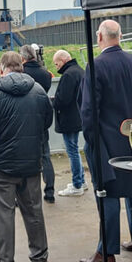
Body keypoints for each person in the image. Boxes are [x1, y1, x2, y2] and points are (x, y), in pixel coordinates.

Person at [0, 52, 51, 262]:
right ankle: (40, 258)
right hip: (30, 164)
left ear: (1, 69)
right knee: (34, 211)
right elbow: (46, 123)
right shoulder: (38, 91)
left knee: (3, 217)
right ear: (21, 68)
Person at [79, 19, 132, 262]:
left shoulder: (96, 66)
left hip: (105, 138)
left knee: (105, 191)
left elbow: (88, 111)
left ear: (100, 37)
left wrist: (91, 140)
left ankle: (105, 251)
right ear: (120, 36)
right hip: (131, 133)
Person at [20, 45, 55, 203]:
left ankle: (26, 194)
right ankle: (50, 191)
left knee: (23, 158)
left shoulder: (21, 74)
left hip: (23, 120)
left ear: (23, 58)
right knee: (45, 156)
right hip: (41, 119)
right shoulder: (45, 74)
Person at [51, 50, 86, 196]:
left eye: (56, 63)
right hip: (79, 115)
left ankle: (77, 184)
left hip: (69, 118)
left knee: (72, 151)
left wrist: (53, 101)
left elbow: (63, 99)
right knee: (75, 149)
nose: (56, 66)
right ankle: (81, 181)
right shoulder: (79, 71)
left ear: (63, 60)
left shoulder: (68, 75)